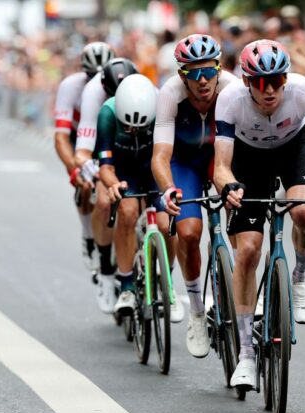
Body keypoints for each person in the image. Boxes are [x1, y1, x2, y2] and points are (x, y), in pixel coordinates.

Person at [213, 40, 305, 388]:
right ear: (245, 81)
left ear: (286, 78)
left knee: (302, 210)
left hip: (292, 147)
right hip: (248, 157)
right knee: (249, 250)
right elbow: (221, 166)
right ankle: (245, 355)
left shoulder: (304, 91)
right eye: (259, 81)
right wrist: (228, 186)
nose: (269, 90)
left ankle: (299, 275)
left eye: (276, 80)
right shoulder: (230, 101)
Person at [152, 34, 238, 357]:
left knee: (241, 216)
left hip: (220, 157)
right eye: (193, 74)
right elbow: (160, 156)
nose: (203, 81)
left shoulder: (232, 89)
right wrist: (168, 189)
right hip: (183, 162)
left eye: (208, 71)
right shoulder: (169, 95)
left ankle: (244, 283)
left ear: (219, 68)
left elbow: (243, 149)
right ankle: (198, 311)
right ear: (181, 76)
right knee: (188, 233)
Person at [94, 74, 183, 322]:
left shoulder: (162, 105)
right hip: (124, 170)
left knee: (166, 224)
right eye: (128, 127)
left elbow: (169, 155)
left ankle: (167, 282)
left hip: (154, 166)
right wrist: (113, 185)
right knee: (128, 211)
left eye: (141, 128)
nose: (134, 131)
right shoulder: (108, 113)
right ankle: (126, 287)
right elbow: (104, 166)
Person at [72, 57, 140, 313]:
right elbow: (83, 151)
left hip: (137, 148)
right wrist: (93, 171)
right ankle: (106, 270)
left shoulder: (148, 92)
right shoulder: (94, 96)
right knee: (102, 201)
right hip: (104, 148)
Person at [53, 42, 114, 280]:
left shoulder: (120, 80)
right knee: (85, 184)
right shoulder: (70, 86)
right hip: (79, 138)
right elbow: (60, 137)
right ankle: (89, 237)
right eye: (91, 75)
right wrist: (74, 168)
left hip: (107, 137)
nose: (96, 81)